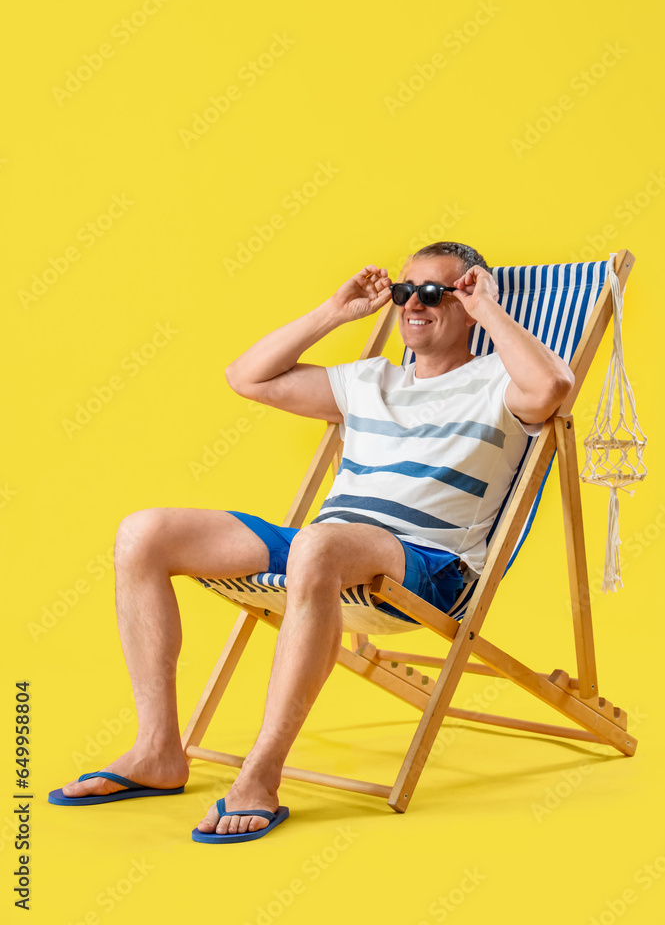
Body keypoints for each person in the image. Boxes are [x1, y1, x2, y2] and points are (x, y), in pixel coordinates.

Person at [50, 241, 574, 841]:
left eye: (434, 293)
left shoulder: (499, 382)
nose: (413, 305)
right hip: (323, 547)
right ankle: (157, 751)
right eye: (406, 292)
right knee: (142, 532)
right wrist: (334, 312)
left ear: (470, 300)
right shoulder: (368, 381)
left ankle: (261, 774)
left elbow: (555, 385)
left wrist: (491, 312)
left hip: (427, 563)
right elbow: (245, 377)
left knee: (317, 547)